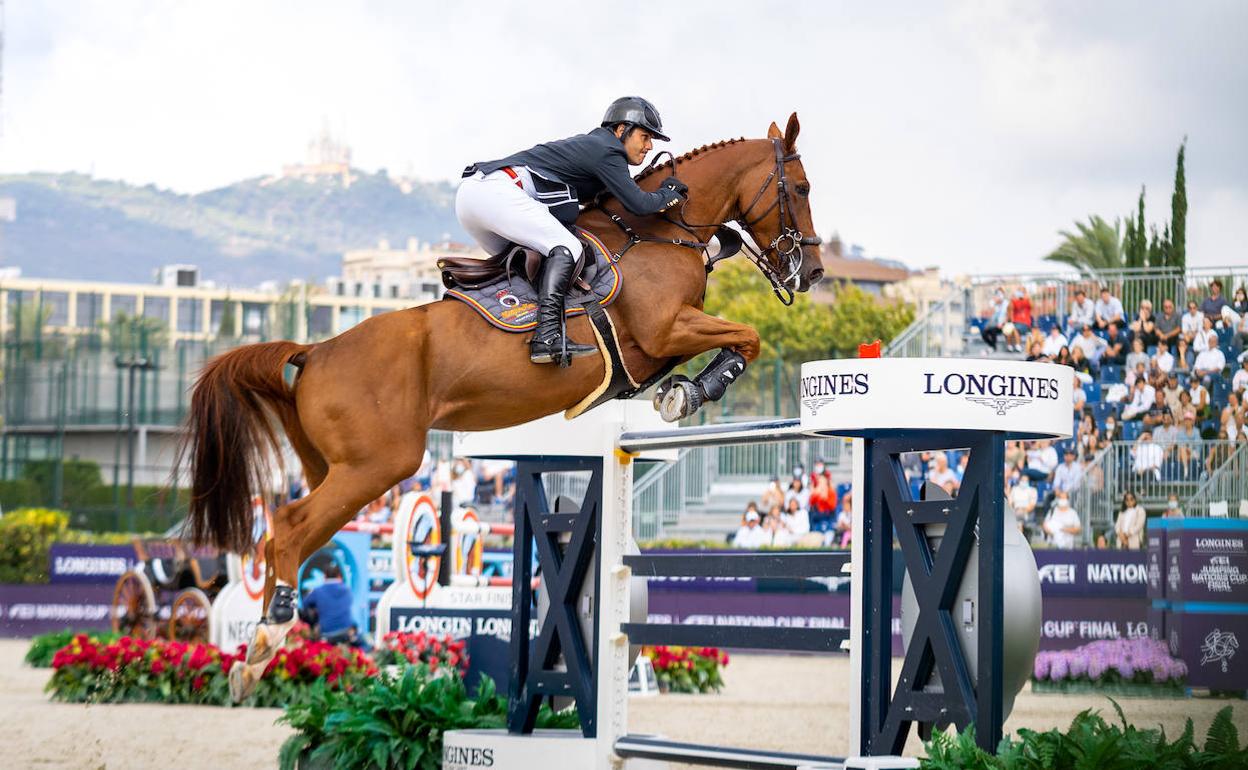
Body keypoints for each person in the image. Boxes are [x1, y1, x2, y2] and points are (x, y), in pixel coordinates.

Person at [456, 96, 685, 365]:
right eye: (645, 137)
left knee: (531, 266)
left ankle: (514, 331)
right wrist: (669, 194)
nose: (649, 146)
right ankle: (547, 338)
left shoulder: (596, 147)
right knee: (568, 248)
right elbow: (639, 204)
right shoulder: (608, 150)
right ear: (621, 130)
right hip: (496, 192)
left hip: (474, 198)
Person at [300, 563, 363, 647]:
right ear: (339, 576)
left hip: (326, 633)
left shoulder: (318, 591)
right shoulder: (347, 590)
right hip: (346, 632)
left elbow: (304, 604)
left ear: (324, 576)